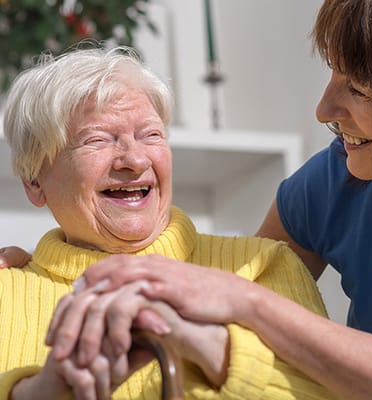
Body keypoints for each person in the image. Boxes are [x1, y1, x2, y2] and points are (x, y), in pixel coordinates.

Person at [3, 0, 372, 398]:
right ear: (34, 180)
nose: (323, 108)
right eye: (97, 139)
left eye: (357, 88)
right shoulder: (337, 179)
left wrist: (245, 300)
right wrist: (46, 274)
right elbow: (229, 310)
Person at [0, 45, 335, 399]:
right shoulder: (7, 291)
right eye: (97, 139)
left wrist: (213, 350)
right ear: (35, 182)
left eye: (151, 135)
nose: (134, 159)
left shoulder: (263, 267)